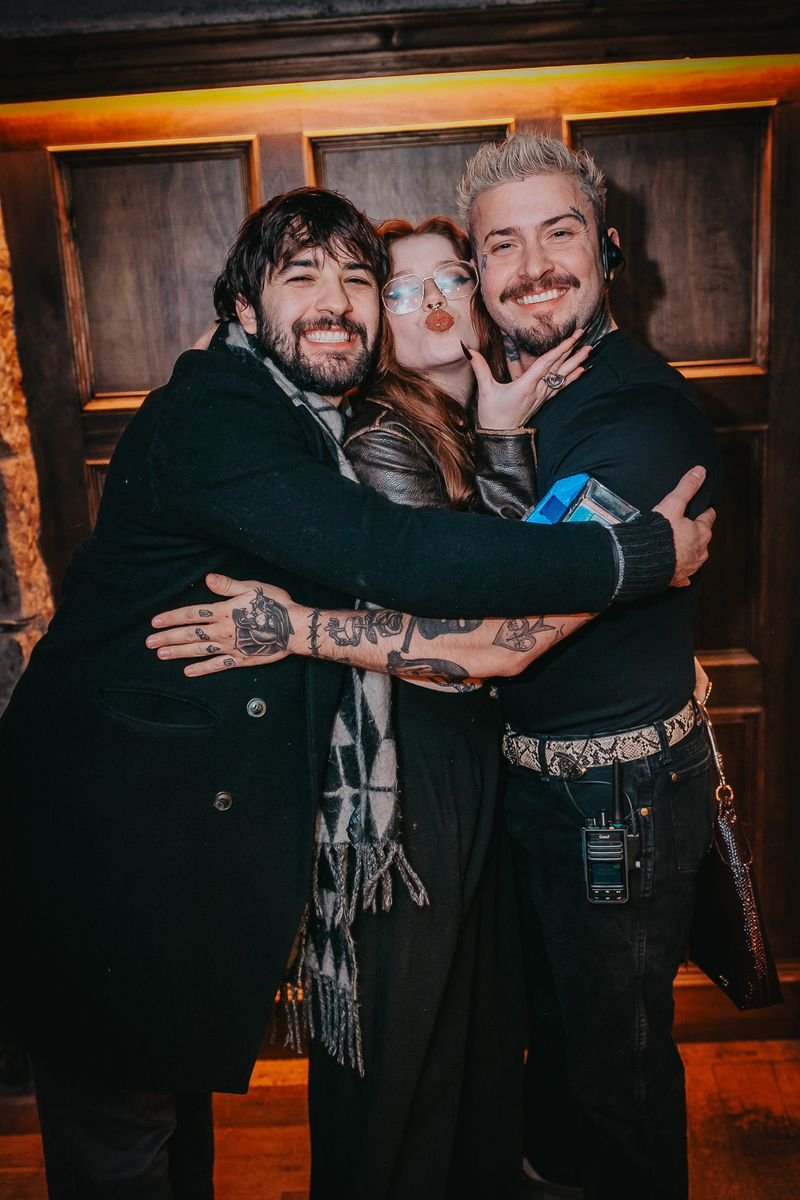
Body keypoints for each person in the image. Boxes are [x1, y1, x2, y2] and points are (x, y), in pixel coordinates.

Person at [0, 186, 711, 1199]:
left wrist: (498, 438)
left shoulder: (310, 419)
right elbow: (400, 555)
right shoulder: (223, 415)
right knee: (126, 1145)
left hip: (170, 847)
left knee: (162, 1131)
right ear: (241, 310)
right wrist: (638, 553)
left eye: (355, 279)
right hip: (102, 850)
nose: (337, 300)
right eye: (301, 277)